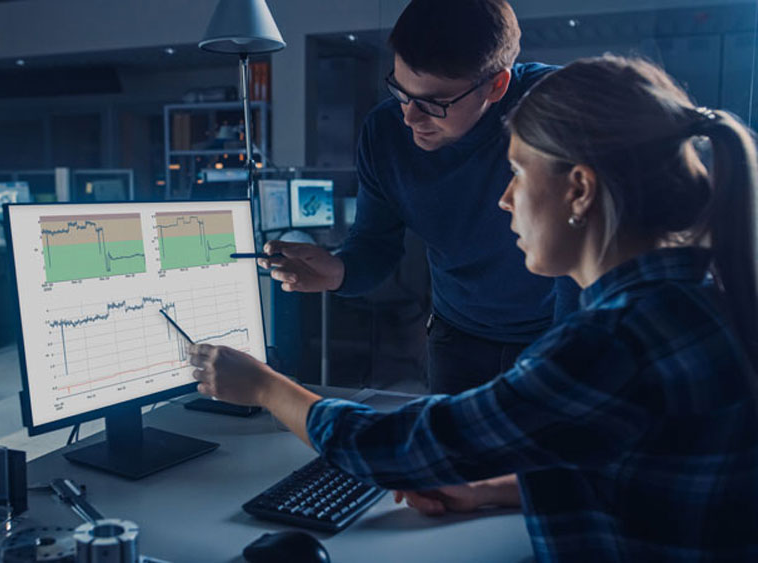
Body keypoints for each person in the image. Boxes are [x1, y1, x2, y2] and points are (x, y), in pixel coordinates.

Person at [190, 56, 758, 560]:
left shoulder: (613, 342)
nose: (504, 200)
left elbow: (395, 450)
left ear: (580, 190)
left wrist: (264, 386)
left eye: (517, 173)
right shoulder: (702, 292)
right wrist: (493, 491)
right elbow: (630, 471)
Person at [262, 0, 579, 395]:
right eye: (400, 90)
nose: (410, 117)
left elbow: (586, 245)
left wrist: (572, 353)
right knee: (452, 453)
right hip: (457, 337)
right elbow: (374, 243)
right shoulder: (385, 132)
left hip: (558, 331)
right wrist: (339, 271)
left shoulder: (561, 107)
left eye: (434, 102)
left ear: (496, 85)